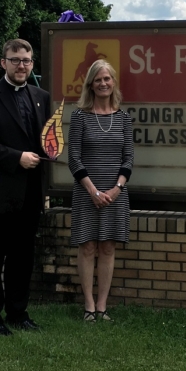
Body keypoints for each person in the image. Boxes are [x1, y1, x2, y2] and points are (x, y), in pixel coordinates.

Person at [0, 39, 51, 336]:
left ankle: (18, 313)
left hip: (29, 195)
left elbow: (48, 143)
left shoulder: (42, 97)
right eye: (15, 60)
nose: (21, 65)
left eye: (26, 60)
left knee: (22, 259)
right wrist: (17, 158)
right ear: (3, 62)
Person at [68, 60, 134, 322]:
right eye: (98, 79)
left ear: (113, 82)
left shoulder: (124, 118)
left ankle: (103, 306)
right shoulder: (80, 116)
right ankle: (89, 306)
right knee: (87, 247)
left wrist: (116, 189)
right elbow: (74, 159)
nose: (103, 83)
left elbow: (128, 159)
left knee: (107, 247)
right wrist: (93, 191)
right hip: (87, 193)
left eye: (107, 78)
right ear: (91, 85)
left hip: (116, 194)